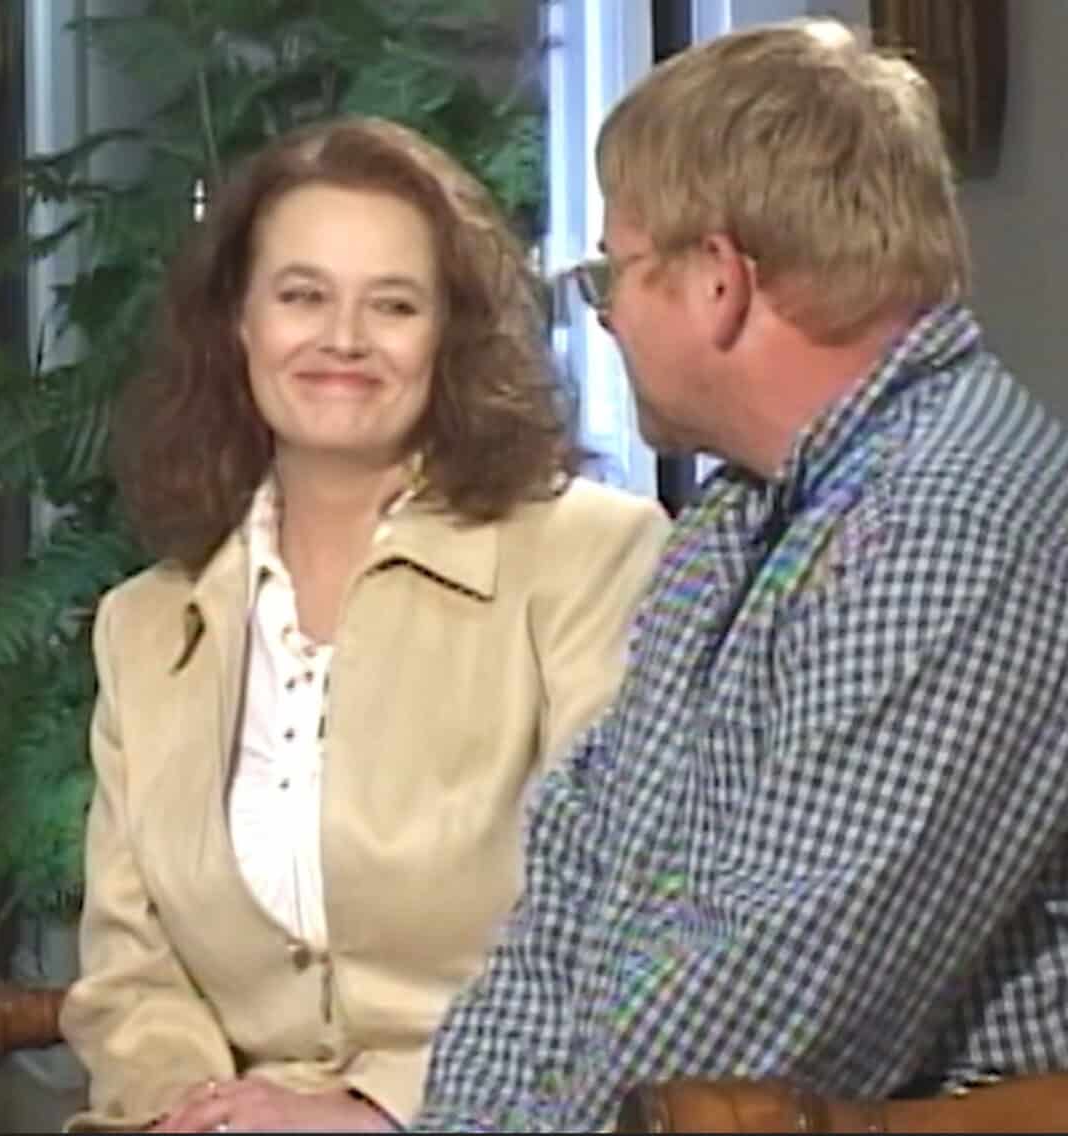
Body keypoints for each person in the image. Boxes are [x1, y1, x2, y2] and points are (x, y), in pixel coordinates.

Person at [413, 19, 1068, 1132]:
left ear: (717, 282)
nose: (606, 315)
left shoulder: (955, 526)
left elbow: (753, 1015)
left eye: (611, 272)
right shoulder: (738, 513)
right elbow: (576, 877)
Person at [59, 116, 670, 1133]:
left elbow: (623, 938)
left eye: (393, 304)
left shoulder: (588, 560)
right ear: (238, 324)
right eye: (301, 296)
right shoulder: (147, 625)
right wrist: (200, 1113)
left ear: (451, 338)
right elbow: (131, 976)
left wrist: (380, 1110)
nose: (343, 339)